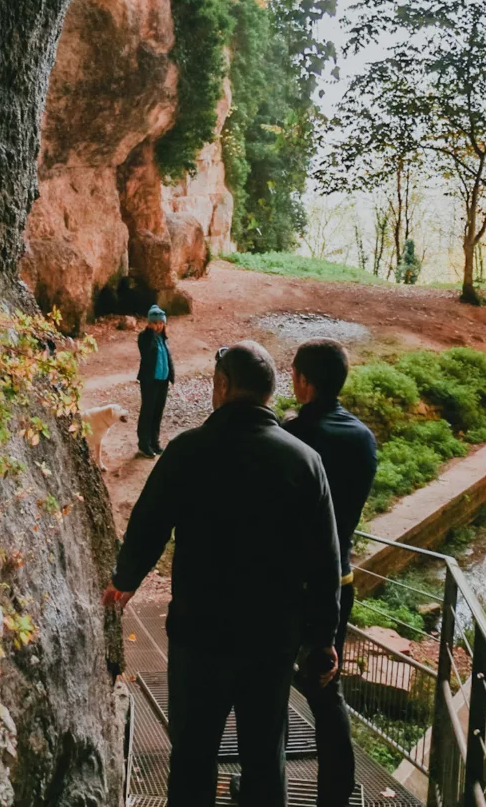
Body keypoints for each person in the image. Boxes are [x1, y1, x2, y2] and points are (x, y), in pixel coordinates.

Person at [102, 341, 342, 807]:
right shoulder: (304, 461)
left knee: (192, 757)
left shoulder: (189, 450)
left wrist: (126, 579)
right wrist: (323, 635)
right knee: (263, 758)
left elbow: (149, 523)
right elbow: (325, 559)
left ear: (223, 385)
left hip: (199, 635)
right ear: (271, 394)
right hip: (272, 640)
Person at [283, 338, 377, 807]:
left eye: (294, 372)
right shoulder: (363, 438)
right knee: (327, 689)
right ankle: (336, 797)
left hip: (288, 585)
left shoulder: (293, 436)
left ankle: (268, 780)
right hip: (339, 581)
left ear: (305, 381)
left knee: (271, 684)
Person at [136, 305, 175, 458]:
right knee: (148, 411)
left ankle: (154, 441)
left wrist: (171, 375)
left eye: (161, 323)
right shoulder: (144, 337)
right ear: (149, 323)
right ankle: (144, 443)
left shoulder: (164, 339)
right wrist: (151, 332)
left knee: (158, 411)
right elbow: (146, 352)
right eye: (155, 323)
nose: (158, 326)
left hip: (162, 380)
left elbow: (167, 358)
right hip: (150, 381)